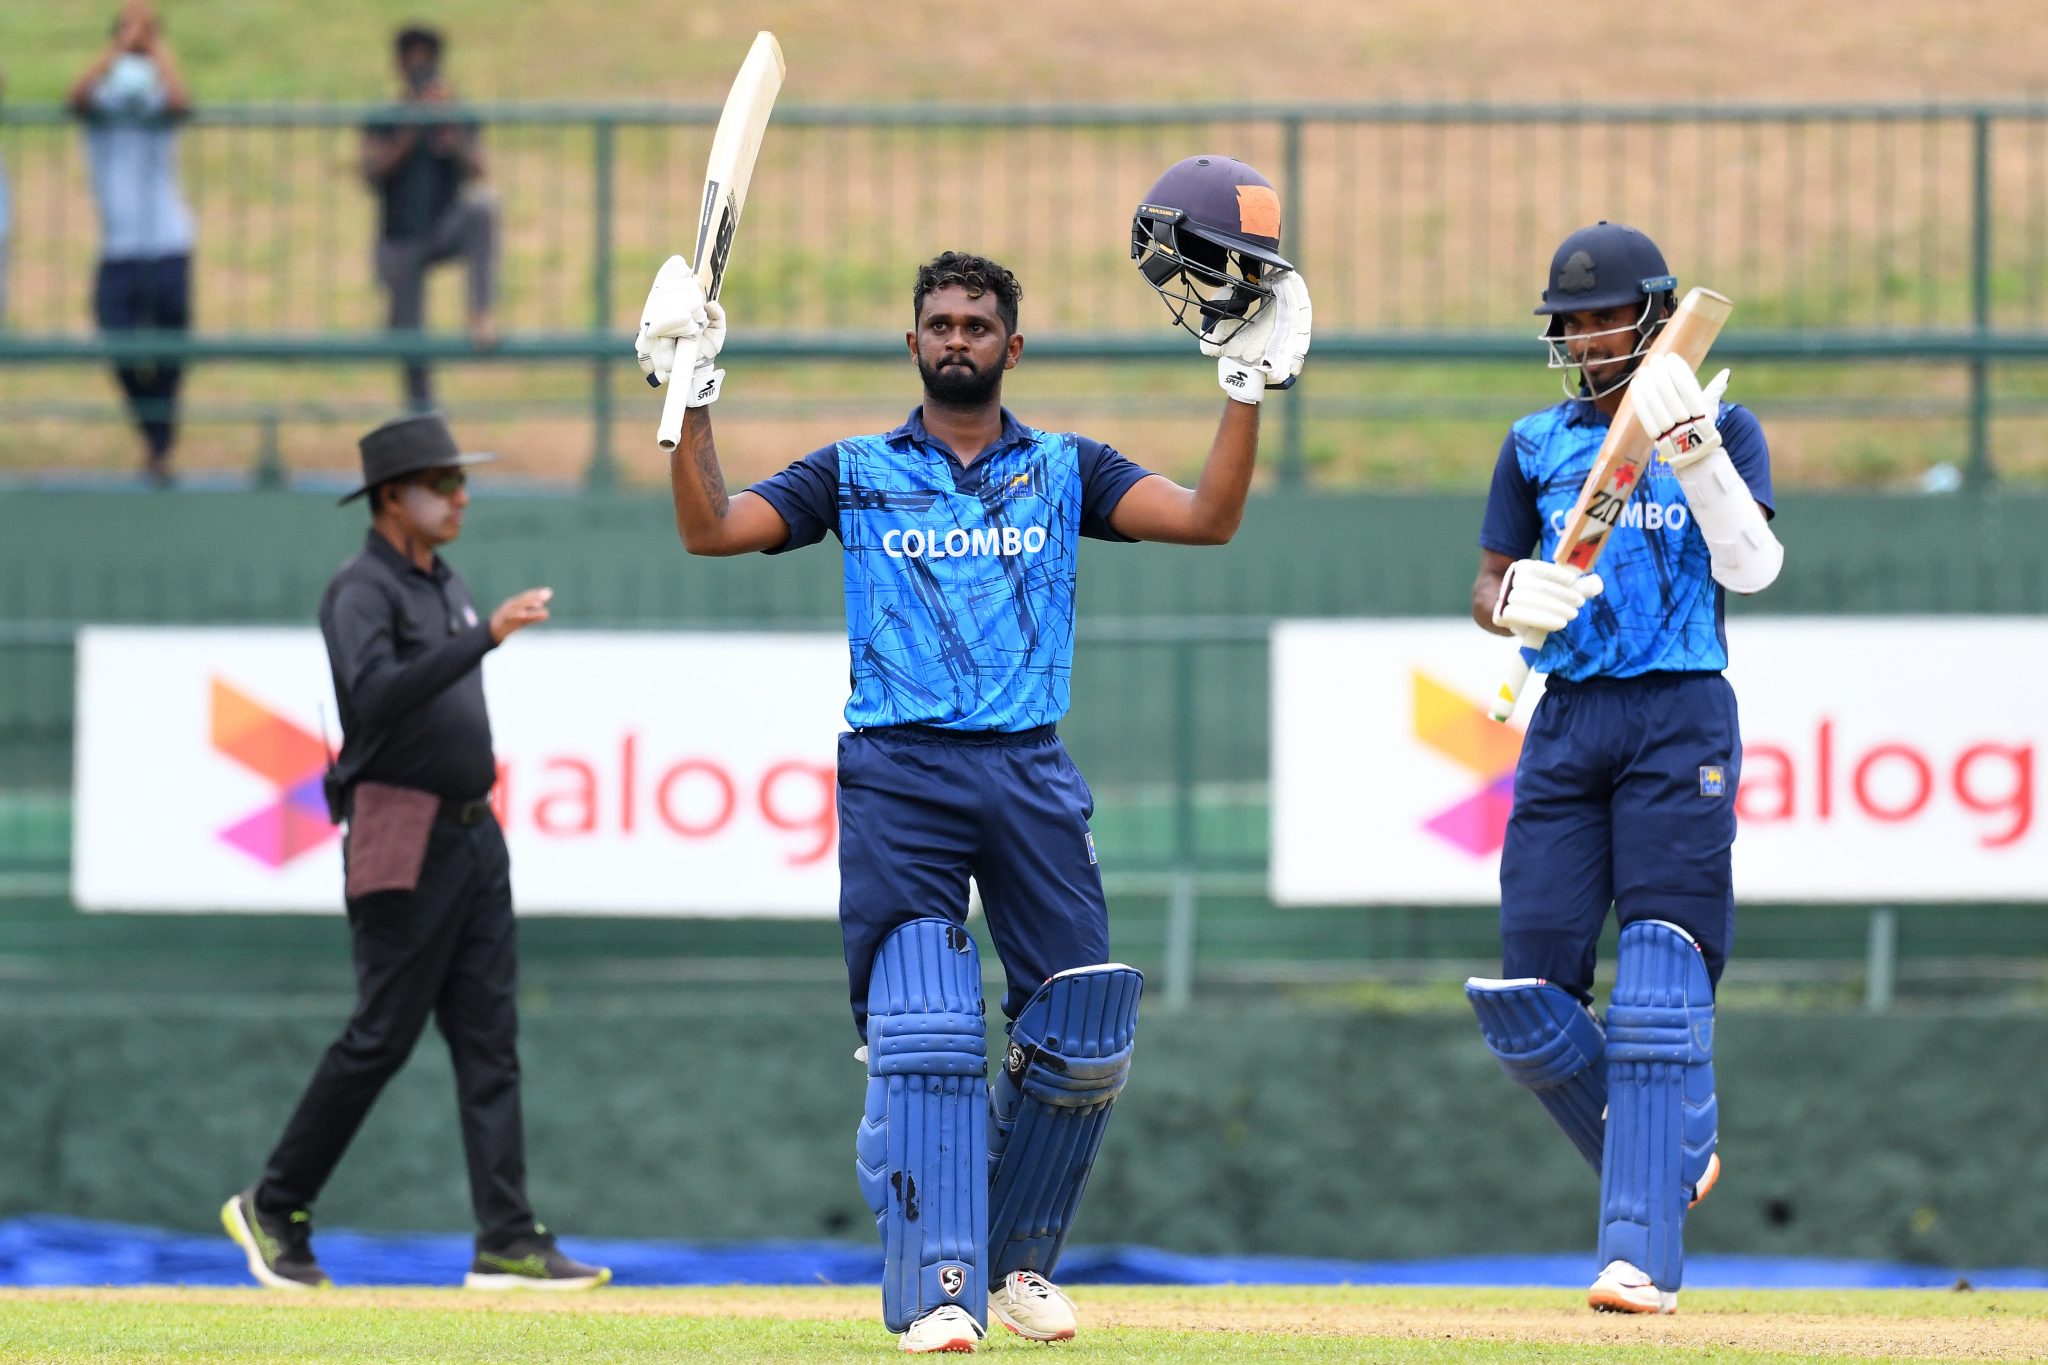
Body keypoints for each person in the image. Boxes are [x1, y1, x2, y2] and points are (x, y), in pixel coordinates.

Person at [634, 154, 1311, 1353]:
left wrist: (1246, 387)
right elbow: (709, 530)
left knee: (1080, 1029)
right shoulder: (854, 473)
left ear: (1012, 345)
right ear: (912, 344)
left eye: (978, 324)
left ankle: (1012, 1263)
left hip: (1028, 770)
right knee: (926, 1028)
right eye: (940, 324)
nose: (958, 339)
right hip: (900, 774)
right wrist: (686, 396)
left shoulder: (1065, 469)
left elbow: (1208, 519)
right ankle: (939, 1289)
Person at [1463, 222, 1784, 1316]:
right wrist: (1511, 600)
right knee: (1527, 1000)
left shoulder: (1726, 425)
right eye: (1573, 322)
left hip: (1677, 712)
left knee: (1657, 975)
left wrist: (1694, 454)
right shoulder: (1532, 443)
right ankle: (1671, 1151)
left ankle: (1636, 1255)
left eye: (1606, 317)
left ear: (1651, 317)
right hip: (1567, 717)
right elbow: (1488, 582)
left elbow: (1753, 567)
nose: (1589, 337)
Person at [221, 412, 607, 1293]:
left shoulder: (444, 582)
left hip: (475, 834)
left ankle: (505, 1237)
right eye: (445, 483)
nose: (461, 496)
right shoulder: (360, 589)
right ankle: (273, 1203)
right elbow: (374, 697)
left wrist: (475, 632)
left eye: (461, 480)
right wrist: (484, 636)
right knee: (381, 1035)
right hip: (401, 830)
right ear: (394, 497)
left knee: (490, 1040)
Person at [67, 1, 193, 485]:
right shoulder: (104, 98)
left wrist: (153, 44)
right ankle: (155, 437)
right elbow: (76, 97)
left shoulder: (157, 96)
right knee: (116, 341)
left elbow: (180, 101)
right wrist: (118, 49)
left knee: (170, 352)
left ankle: (159, 447)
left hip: (168, 242)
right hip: (119, 247)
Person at [362, 25, 499, 412]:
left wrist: (448, 128)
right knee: (409, 343)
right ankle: (422, 417)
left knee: (482, 208)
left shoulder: (452, 116)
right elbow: (372, 171)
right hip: (399, 239)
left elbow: (480, 170)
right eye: (413, 62)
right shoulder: (386, 118)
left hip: (443, 228)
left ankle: (481, 313)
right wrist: (410, 127)